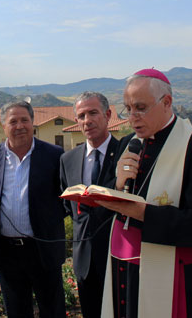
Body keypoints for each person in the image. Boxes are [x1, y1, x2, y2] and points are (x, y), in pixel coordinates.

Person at [96, 69, 192, 317]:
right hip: (123, 268)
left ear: (167, 102)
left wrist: (142, 213)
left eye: (141, 108)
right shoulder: (128, 144)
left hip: (174, 276)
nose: (132, 117)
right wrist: (117, 184)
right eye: (128, 108)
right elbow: (109, 209)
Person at [0, 101, 66, 318]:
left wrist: (47, 222)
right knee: (17, 312)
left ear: (33, 123)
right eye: (13, 121)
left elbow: (65, 199)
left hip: (43, 249)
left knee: (53, 310)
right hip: (8, 253)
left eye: (24, 120)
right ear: (3, 126)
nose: (20, 126)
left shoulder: (54, 155)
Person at [59, 92, 119, 318]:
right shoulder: (68, 160)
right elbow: (69, 208)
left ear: (108, 115)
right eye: (81, 115)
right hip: (85, 261)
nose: (87, 120)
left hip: (120, 256)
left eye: (93, 113)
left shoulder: (125, 152)